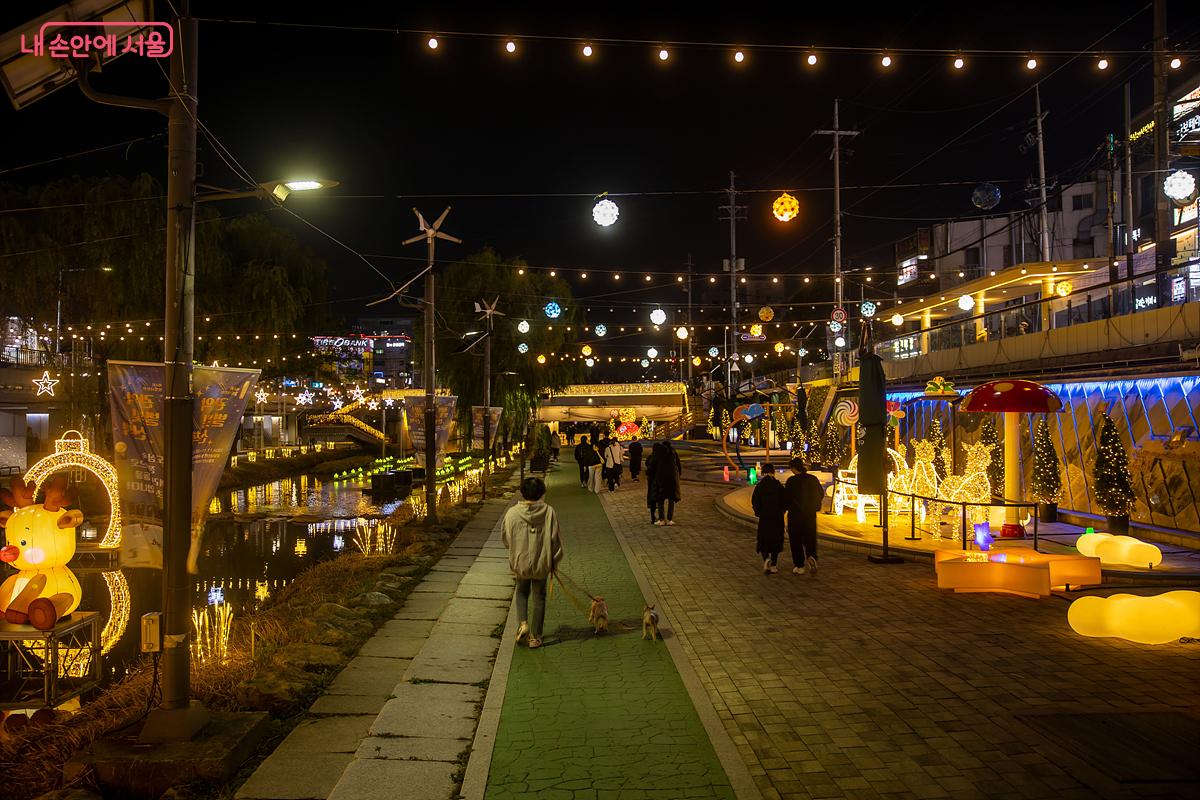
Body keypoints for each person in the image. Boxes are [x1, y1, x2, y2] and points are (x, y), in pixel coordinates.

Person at [502, 477, 563, 649]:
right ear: (542, 492)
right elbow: (555, 539)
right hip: (541, 562)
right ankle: (535, 637)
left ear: (522, 492)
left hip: (520, 561)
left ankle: (523, 623)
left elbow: (505, 537)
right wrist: (554, 560)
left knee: (521, 593)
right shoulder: (549, 511)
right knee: (539, 597)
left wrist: (515, 551)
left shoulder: (512, 513)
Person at [785, 457, 824, 576]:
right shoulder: (812, 479)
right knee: (810, 537)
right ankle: (811, 556)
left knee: (795, 540)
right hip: (810, 514)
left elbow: (786, 498)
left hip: (795, 515)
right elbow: (820, 494)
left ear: (793, 468)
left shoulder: (791, 481)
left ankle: (799, 565)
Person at [751, 463, 787, 574]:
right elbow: (784, 501)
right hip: (777, 517)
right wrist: (782, 511)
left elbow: (755, 501)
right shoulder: (778, 485)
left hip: (765, 517)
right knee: (776, 539)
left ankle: (766, 558)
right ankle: (774, 564)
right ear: (773, 472)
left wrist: (758, 513)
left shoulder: (760, 486)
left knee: (764, 539)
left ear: (762, 473)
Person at [649, 440, 682, 526]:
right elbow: (678, 465)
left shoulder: (659, 453)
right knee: (671, 499)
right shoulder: (673, 452)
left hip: (661, 478)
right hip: (672, 478)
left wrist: (650, 474)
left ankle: (661, 519)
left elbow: (652, 465)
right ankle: (670, 519)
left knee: (660, 500)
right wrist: (678, 475)